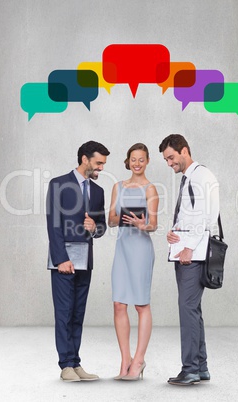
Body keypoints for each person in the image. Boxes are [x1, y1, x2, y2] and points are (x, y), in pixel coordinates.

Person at [46, 140, 110, 382]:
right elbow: (53, 223)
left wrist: (95, 228)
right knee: (64, 312)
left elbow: (101, 226)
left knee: (77, 313)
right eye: (98, 163)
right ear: (85, 159)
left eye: (103, 164)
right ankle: (65, 366)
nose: (101, 168)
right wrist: (61, 259)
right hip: (63, 261)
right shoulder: (58, 184)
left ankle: (75, 362)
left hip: (85, 261)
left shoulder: (98, 191)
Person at [159, 134, 219, 386]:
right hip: (185, 251)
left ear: (184, 150)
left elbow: (209, 216)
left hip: (192, 256)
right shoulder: (189, 178)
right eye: (166, 160)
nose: (169, 163)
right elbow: (192, 216)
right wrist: (175, 231)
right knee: (192, 310)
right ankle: (201, 367)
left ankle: (191, 369)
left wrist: (190, 248)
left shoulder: (203, 176)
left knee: (187, 310)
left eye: (171, 157)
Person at [108, 143, 159, 381]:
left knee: (140, 305)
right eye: (133, 159)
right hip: (122, 247)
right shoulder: (117, 187)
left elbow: (153, 225)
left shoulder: (151, 190)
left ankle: (139, 361)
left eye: (141, 159)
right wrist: (123, 218)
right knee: (119, 304)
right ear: (127, 161)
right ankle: (125, 360)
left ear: (147, 161)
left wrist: (142, 224)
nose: (137, 163)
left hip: (141, 249)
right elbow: (110, 220)